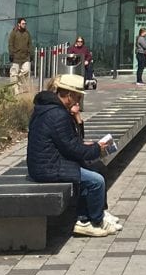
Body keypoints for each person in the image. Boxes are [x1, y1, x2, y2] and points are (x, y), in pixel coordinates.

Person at [27, 74, 120, 237]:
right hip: (49, 167)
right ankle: (92, 221)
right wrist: (97, 149)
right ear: (68, 95)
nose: (78, 100)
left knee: (96, 168)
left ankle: (89, 215)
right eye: (77, 96)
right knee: (95, 181)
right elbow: (73, 148)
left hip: (48, 162)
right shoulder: (57, 114)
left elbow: (70, 142)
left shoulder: (49, 108)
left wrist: (77, 119)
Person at [7, 19, 34, 90]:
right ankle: (14, 90)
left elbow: (30, 44)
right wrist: (11, 54)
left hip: (25, 57)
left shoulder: (27, 33)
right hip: (16, 57)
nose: (24, 25)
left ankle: (21, 86)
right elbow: (10, 44)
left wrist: (31, 53)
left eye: (25, 23)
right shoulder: (13, 33)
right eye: (23, 23)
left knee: (26, 71)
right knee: (13, 74)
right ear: (19, 24)